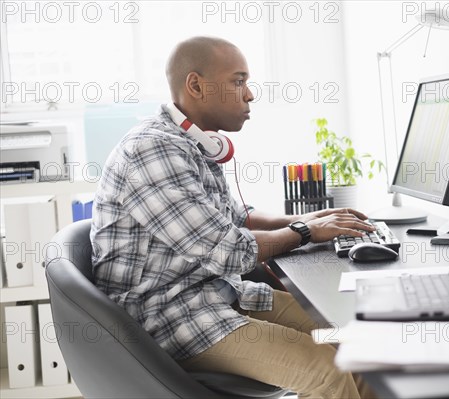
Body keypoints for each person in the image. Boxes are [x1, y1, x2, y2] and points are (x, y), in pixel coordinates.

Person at [91, 36, 376, 398]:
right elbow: (227, 251)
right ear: (196, 85)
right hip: (168, 314)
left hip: (217, 294)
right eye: (238, 82)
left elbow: (238, 219)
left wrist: (313, 219)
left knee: (351, 343)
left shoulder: (191, 146)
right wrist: (306, 231)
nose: (249, 94)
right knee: (323, 369)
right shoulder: (152, 150)